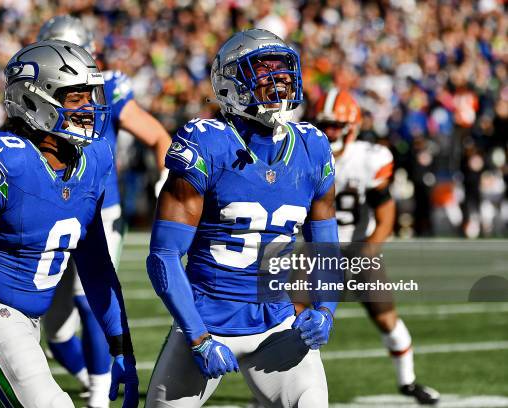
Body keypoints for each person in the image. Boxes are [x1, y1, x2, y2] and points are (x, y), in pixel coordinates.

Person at [0, 40, 139, 408]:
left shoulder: (94, 160)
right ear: (33, 100)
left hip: (28, 321)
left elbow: (95, 264)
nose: (89, 108)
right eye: (75, 98)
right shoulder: (1, 159)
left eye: (90, 96)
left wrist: (120, 343)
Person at [145, 29, 340, 407]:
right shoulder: (207, 142)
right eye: (264, 70)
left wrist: (326, 310)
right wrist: (198, 337)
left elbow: (326, 245)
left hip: (277, 324)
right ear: (231, 84)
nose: (279, 79)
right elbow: (164, 256)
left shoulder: (312, 146)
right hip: (209, 324)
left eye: (284, 70)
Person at [36, 15, 171, 408]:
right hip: (54, 209)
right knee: (57, 333)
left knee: (88, 298)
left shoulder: (107, 89)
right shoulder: (35, 92)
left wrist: (164, 186)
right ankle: (95, 380)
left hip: (99, 212)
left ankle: (99, 397)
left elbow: (158, 136)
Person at [313, 88, 440, 405]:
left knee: (386, 318)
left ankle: (407, 381)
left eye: (335, 125)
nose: (329, 132)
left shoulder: (369, 159)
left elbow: (385, 215)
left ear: (351, 126)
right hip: (316, 250)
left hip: (358, 247)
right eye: (324, 124)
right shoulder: (303, 152)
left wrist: (367, 252)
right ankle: (273, 392)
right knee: (293, 320)